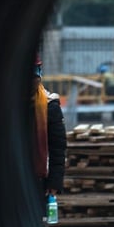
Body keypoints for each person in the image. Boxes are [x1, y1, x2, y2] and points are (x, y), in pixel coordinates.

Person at [31, 53, 67, 216]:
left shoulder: (50, 106)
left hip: (38, 180)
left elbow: (58, 148)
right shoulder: (6, 106)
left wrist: (54, 182)